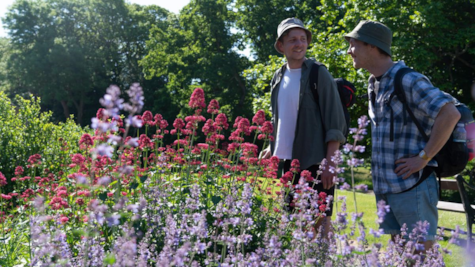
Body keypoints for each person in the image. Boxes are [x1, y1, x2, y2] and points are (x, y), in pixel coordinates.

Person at [345, 20, 461, 252]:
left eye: (353, 44)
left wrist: (424, 157)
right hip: (386, 187)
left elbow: (450, 113)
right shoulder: (374, 83)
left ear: (372, 46)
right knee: (399, 256)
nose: (349, 51)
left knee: (421, 256)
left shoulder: (407, 79)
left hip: (412, 186)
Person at [259, 17, 347, 237]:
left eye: (302, 39)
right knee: (292, 221)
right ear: (281, 46)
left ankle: (324, 261)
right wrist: (273, 146)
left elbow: (334, 121)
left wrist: (330, 164)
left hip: (315, 160)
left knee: (320, 221)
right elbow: (279, 116)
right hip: (288, 161)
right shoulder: (277, 77)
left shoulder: (319, 73)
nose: (299, 44)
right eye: (292, 40)